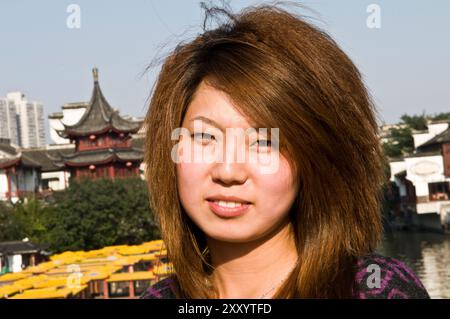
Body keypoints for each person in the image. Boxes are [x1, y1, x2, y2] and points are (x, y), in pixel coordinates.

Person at [141, 2, 429, 299]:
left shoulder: (373, 289)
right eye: (204, 137)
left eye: (264, 142)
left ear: (313, 157)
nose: (228, 171)